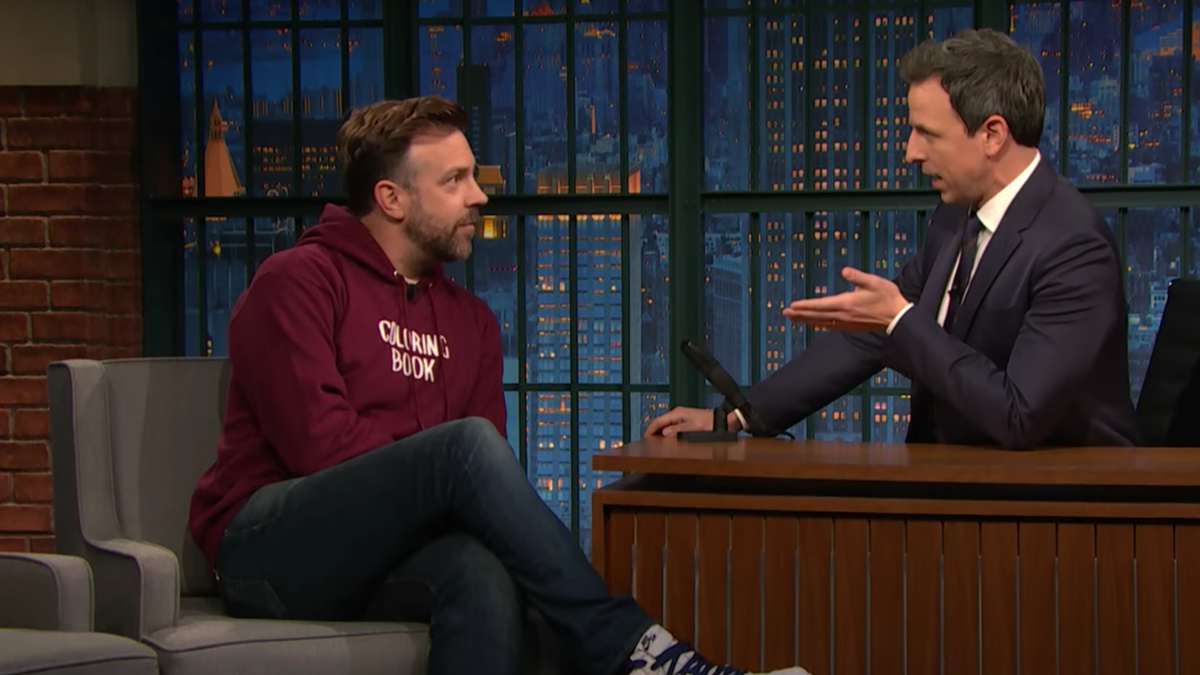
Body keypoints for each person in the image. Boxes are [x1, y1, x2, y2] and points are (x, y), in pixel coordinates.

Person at [188, 95, 810, 675]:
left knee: (479, 572)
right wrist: (437, 472)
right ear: (391, 198)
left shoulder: (472, 322)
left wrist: (444, 484)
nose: (479, 196)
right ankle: (640, 653)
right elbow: (318, 449)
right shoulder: (298, 281)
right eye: (454, 180)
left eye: (474, 176)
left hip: (383, 550)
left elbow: (478, 482)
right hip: (268, 550)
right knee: (464, 447)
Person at [647, 29, 1140, 450]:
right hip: (954, 489)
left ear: (992, 134)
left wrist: (900, 319)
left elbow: (1019, 415)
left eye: (927, 134)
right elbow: (873, 334)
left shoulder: (1074, 247)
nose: (910, 153)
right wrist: (735, 415)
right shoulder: (954, 218)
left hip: (1058, 512)